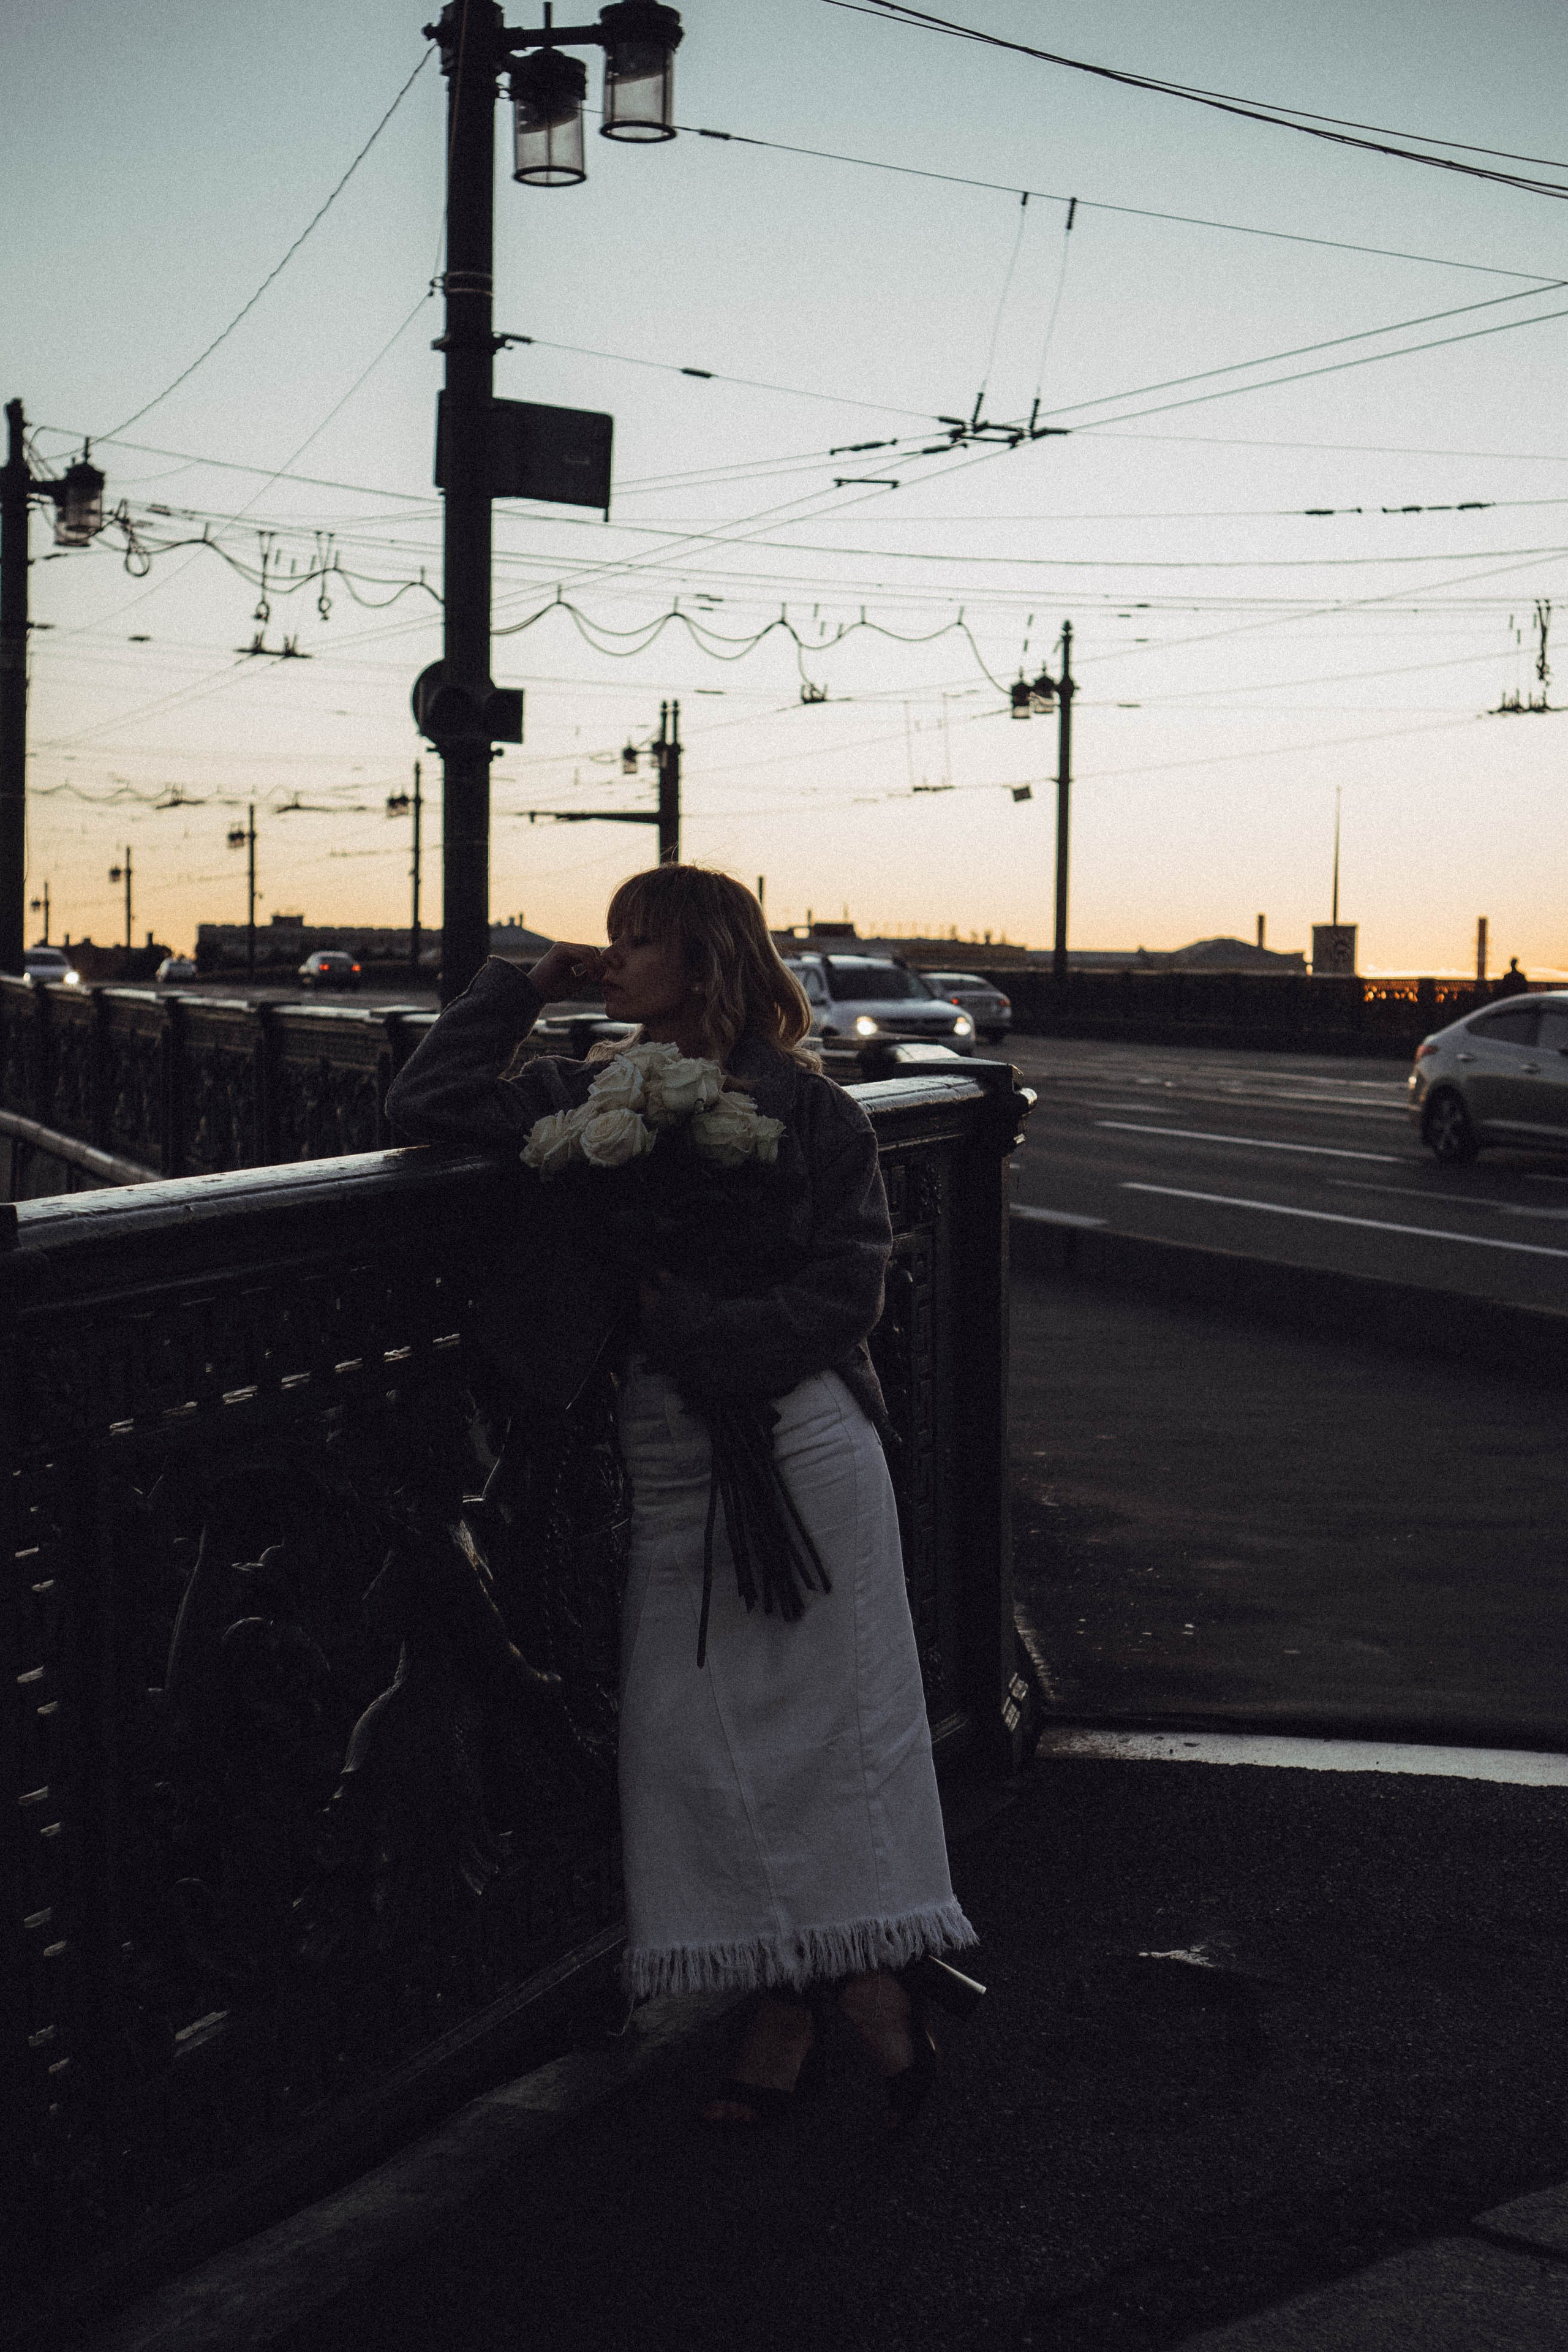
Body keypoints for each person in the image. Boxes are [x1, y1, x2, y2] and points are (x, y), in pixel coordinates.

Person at [385, 866, 974, 2132]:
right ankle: (843, 1981)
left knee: (827, 1738)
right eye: (604, 944)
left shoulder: (815, 1116)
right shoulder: (586, 1093)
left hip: (805, 1446)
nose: (612, 963)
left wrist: (692, 1327)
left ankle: (803, 2002)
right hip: (667, 1452)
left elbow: (842, 1299)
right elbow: (425, 1099)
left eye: (633, 943)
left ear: (703, 957)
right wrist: (520, 985)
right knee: (687, 1743)